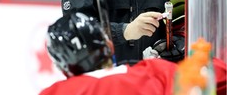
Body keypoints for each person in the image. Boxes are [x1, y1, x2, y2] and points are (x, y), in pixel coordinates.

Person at [40, 13, 226, 95]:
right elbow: (215, 77)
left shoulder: (55, 92)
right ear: (110, 46)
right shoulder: (154, 73)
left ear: (63, 67)